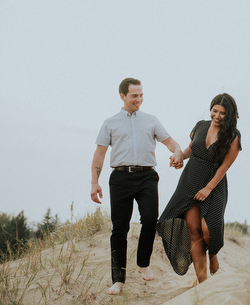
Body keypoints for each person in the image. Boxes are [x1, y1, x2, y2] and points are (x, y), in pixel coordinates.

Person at [90, 78, 184, 295]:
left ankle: (143, 263)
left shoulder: (151, 120)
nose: (139, 99)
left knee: (151, 219)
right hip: (120, 178)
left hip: (147, 177)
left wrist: (177, 151)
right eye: (134, 96)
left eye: (141, 95)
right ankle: (118, 279)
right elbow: (100, 153)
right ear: (122, 96)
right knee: (119, 228)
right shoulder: (110, 122)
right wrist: (94, 182)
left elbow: (170, 142)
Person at [157, 93, 241, 284]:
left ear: (229, 115)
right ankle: (203, 283)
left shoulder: (233, 136)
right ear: (210, 109)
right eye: (215, 111)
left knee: (208, 230)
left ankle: (213, 253)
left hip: (214, 185)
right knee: (194, 231)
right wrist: (180, 157)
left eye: (222, 113)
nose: (217, 116)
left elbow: (225, 166)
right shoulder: (200, 126)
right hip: (190, 181)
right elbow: (190, 150)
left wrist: (208, 189)